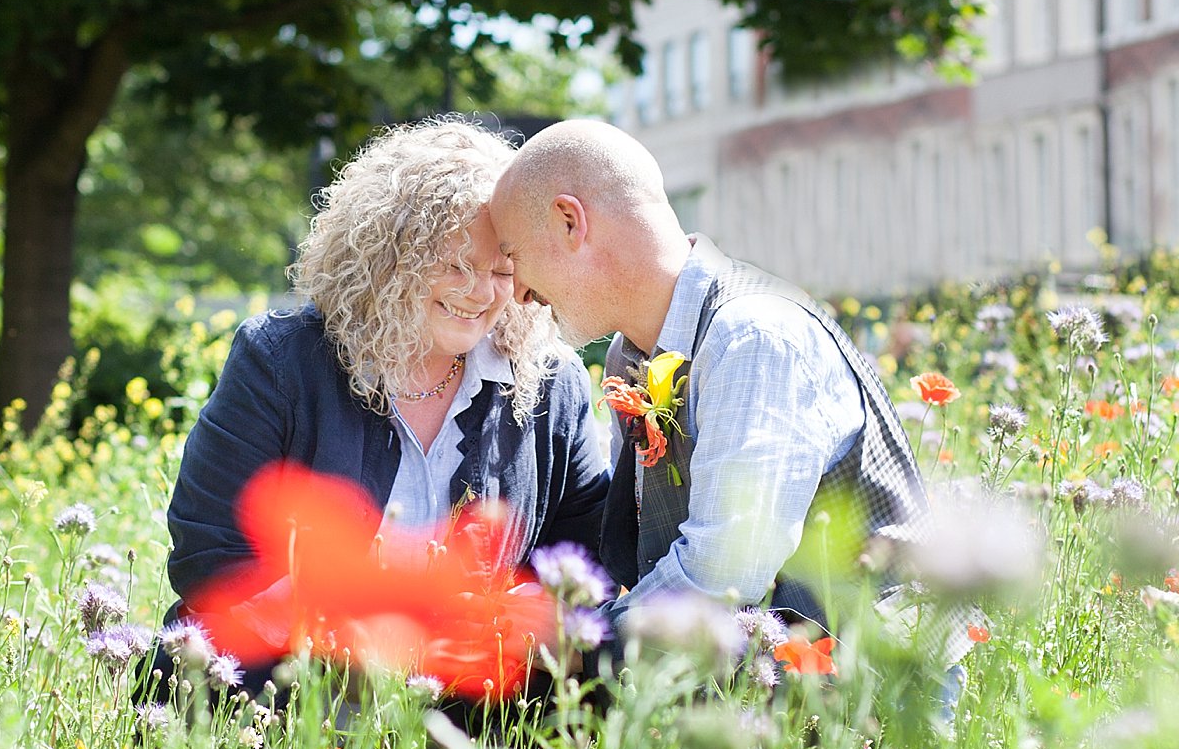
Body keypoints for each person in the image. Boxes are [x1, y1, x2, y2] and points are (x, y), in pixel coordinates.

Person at [486, 118, 973, 709]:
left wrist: (573, 639)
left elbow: (725, 574)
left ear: (570, 222)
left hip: (881, 697)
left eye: (514, 256)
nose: (518, 295)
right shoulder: (630, 354)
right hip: (770, 696)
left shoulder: (752, 336)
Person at [157, 117, 611, 697]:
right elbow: (209, 556)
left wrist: (525, 612)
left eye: (503, 270)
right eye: (455, 265)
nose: (481, 293)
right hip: (290, 685)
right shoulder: (280, 361)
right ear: (386, 257)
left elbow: (587, 553)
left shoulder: (551, 380)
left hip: (472, 693)